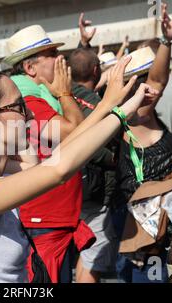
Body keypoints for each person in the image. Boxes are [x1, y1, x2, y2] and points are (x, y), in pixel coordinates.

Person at [0, 54, 158, 282]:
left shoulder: (3, 174)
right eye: (19, 106)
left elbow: (59, 155)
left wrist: (109, 104)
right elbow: (59, 170)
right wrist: (120, 112)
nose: (31, 114)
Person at [4, 23, 87, 283]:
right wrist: (64, 93)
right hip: (42, 221)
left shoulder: (41, 96)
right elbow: (74, 131)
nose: (59, 59)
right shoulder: (28, 101)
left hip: (56, 217)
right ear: (30, 68)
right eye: (51, 55)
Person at [112, 4, 172, 283]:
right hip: (142, 226)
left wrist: (167, 40)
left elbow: (158, 79)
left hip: (165, 221)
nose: (152, 89)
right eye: (142, 81)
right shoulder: (133, 114)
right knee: (150, 279)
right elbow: (158, 79)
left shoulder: (149, 111)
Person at [69, 47, 119, 283]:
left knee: (84, 254)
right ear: (96, 70)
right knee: (94, 256)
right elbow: (91, 143)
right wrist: (114, 159)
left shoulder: (63, 96)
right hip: (93, 191)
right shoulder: (95, 104)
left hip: (66, 188)